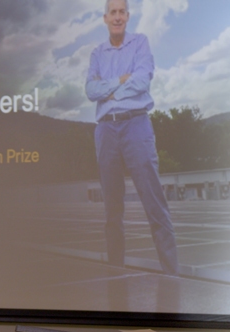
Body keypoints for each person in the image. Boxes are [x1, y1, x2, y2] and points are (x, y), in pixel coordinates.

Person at [85, 0, 178, 275]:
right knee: (112, 209)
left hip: (136, 125)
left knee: (153, 201)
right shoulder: (96, 53)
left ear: (127, 16)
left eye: (121, 12)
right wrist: (119, 82)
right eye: (112, 12)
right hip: (106, 130)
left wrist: (110, 89)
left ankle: (172, 274)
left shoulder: (140, 43)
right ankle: (116, 273)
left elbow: (142, 80)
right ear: (105, 18)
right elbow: (91, 90)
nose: (117, 17)